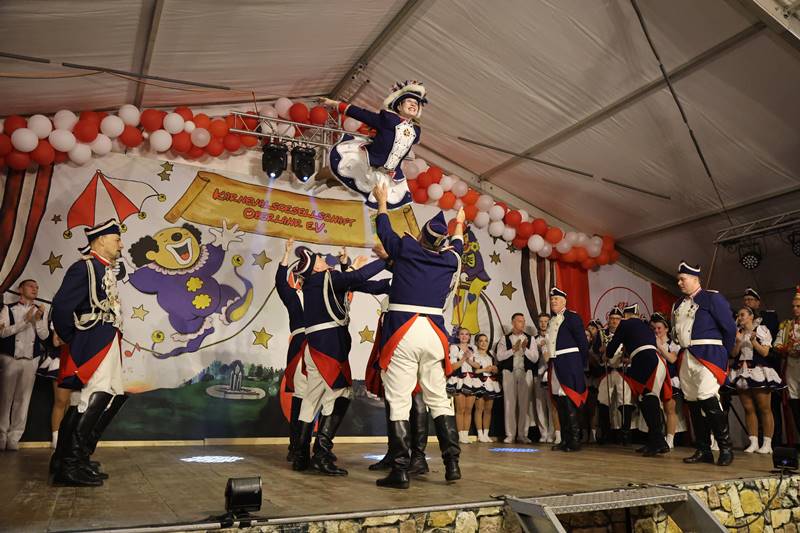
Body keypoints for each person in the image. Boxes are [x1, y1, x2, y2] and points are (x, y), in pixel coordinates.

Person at [371, 182, 464, 489]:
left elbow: (384, 230)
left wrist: (382, 201)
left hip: (405, 331)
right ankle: (452, 463)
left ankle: (400, 470)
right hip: (434, 334)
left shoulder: (407, 248)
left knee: (399, 399)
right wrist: (460, 223)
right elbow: (459, 243)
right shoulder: (450, 259)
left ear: (421, 236)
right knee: (439, 399)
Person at [291, 245, 388, 476]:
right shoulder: (325, 278)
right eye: (319, 258)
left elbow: (356, 283)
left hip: (317, 346)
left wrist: (350, 268)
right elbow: (357, 277)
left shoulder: (318, 282)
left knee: (311, 399)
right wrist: (388, 259)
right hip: (329, 347)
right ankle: (321, 454)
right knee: (340, 395)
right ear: (315, 268)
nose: (323, 258)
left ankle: (300, 455)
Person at [50, 220, 127, 486]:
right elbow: (61, 307)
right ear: (101, 240)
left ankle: (71, 458)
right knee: (94, 395)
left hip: (107, 337)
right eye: (116, 239)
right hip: (93, 340)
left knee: (108, 394)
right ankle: (70, 465)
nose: (121, 245)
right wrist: (73, 338)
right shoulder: (84, 267)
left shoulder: (104, 269)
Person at [319, 80, 426, 210]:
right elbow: (361, 113)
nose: (414, 104)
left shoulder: (415, 132)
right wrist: (333, 103)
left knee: (376, 201)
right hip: (368, 163)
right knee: (339, 171)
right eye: (409, 101)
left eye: (416, 103)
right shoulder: (386, 120)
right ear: (399, 106)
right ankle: (319, 179)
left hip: (387, 174)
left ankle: (327, 188)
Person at [672, 262, 736, 466]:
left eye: (683, 279)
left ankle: (726, 448)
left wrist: (723, 353)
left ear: (695, 279)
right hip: (687, 355)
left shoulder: (712, 298)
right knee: (692, 401)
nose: (679, 282)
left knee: (707, 397)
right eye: (678, 279)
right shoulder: (678, 304)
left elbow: (730, 328)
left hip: (709, 354)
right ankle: (703, 449)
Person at [365, 295, 430, 477]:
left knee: (417, 401)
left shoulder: (419, 295)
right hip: (394, 355)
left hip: (413, 354)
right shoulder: (389, 297)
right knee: (394, 404)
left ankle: (418, 457)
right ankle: (395, 453)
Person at [603, 304, 671, 456]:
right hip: (654, 360)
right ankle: (656, 441)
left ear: (626, 316)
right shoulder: (645, 327)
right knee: (646, 400)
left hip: (646, 361)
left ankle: (657, 442)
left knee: (649, 400)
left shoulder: (625, 324)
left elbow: (613, 346)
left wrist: (607, 353)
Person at [0, 279, 49, 451]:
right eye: (31, 286)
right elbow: (3, 332)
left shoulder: (40, 311)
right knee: (5, 399)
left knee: (23, 399)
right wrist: (26, 321)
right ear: (20, 290)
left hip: (31, 360)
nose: (35, 289)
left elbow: (44, 336)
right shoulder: (8, 308)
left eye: (37, 287)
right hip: (10, 359)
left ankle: (14, 437)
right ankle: (1, 436)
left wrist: (37, 320)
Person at [729, 306, 781, 454]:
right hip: (742, 371)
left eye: (742, 315)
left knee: (764, 408)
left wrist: (753, 341)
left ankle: (767, 443)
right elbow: (733, 354)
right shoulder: (738, 333)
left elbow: (764, 352)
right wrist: (738, 342)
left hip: (758, 371)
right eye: (738, 315)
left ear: (751, 316)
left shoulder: (761, 329)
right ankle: (753, 442)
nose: (739, 317)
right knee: (748, 408)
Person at [543, 287, 589, 452]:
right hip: (556, 364)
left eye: (556, 299)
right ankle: (565, 439)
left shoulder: (572, 317)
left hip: (570, 362)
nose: (553, 301)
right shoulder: (551, 321)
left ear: (564, 301)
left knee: (569, 399)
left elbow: (583, 342)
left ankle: (575, 440)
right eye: (552, 299)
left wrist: (580, 365)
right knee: (560, 402)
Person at [276, 238, 308, 462]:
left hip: (322, 345)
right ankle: (295, 446)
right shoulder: (294, 296)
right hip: (301, 345)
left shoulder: (324, 293)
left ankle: (318, 448)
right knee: (300, 395)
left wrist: (348, 266)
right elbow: (280, 283)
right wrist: (286, 255)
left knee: (322, 397)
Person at [743, 287, 783, 445]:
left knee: (768, 406)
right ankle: (755, 441)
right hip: (745, 367)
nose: (747, 302)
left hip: (764, 366)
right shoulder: (739, 325)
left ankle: (773, 442)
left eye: (751, 300)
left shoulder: (766, 320)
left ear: (758, 302)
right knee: (749, 406)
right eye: (745, 300)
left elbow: (768, 347)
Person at [496, 313, 539, 444]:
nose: (522, 323)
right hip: (509, 373)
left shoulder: (530, 339)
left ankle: (522, 434)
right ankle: (510, 434)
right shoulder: (504, 338)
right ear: (513, 322)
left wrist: (525, 349)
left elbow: (535, 358)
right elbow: (499, 357)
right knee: (509, 404)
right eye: (519, 321)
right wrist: (513, 350)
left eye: (523, 321)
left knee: (524, 404)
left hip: (525, 373)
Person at [596, 307, 634, 445]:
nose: (614, 321)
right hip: (606, 371)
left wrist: (628, 357)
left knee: (625, 401)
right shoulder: (602, 334)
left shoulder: (627, 332)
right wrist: (600, 352)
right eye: (612, 319)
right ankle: (605, 433)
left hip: (622, 371)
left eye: (617, 319)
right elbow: (594, 350)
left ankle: (625, 434)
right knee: (603, 400)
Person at [651, 312, 684, 449]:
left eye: (659, 328)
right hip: (655, 380)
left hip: (670, 380)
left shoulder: (673, 343)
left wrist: (660, 347)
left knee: (669, 409)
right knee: (656, 411)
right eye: (654, 328)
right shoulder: (651, 344)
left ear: (666, 329)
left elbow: (672, 359)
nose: (656, 331)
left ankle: (670, 439)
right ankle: (658, 438)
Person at [774, 287, 800, 443]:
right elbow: (776, 344)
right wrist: (787, 349)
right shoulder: (786, 325)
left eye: (798, 306)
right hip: (791, 367)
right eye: (794, 306)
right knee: (794, 403)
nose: (795, 309)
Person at [449, 328, 479, 443]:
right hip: (459, 380)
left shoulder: (473, 348)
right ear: (458, 336)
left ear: (470, 336)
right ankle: (460, 435)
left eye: (467, 334)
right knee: (460, 409)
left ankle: (465, 435)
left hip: (471, 380)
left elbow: (477, 365)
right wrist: (463, 358)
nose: (464, 336)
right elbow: (453, 366)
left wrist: (469, 360)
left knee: (468, 409)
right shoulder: (454, 347)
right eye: (462, 334)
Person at [472, 333, 500, 442]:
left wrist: (494, 369)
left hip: (490, 383)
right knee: (479, 409)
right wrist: (485, 369)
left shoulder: (491, 355)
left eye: (486, 341)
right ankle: (480, 434)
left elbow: (495, 369)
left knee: (488, 410)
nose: (484, 343)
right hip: (479, 382)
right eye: (481, 341)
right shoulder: (474, 355)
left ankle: (486, 434)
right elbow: (474, 371)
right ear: (477, 343)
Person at [532, 313, 555, 442]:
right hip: (538, 375)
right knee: (540, 404)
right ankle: (543, 433)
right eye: (541, 321)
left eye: (546, 321)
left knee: (551, 405)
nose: (543, 324)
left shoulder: (553, 338)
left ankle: (552, 433)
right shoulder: (533, 339)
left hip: (551, 374)